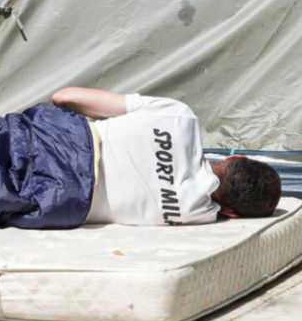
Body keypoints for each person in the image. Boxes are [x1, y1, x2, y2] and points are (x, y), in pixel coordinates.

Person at [50, 86, 281, 225]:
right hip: (55, 199)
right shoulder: (195, 215)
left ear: (235, 157)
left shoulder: (180, 116)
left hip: (57, 141)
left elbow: (64, 97)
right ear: (229, 213)